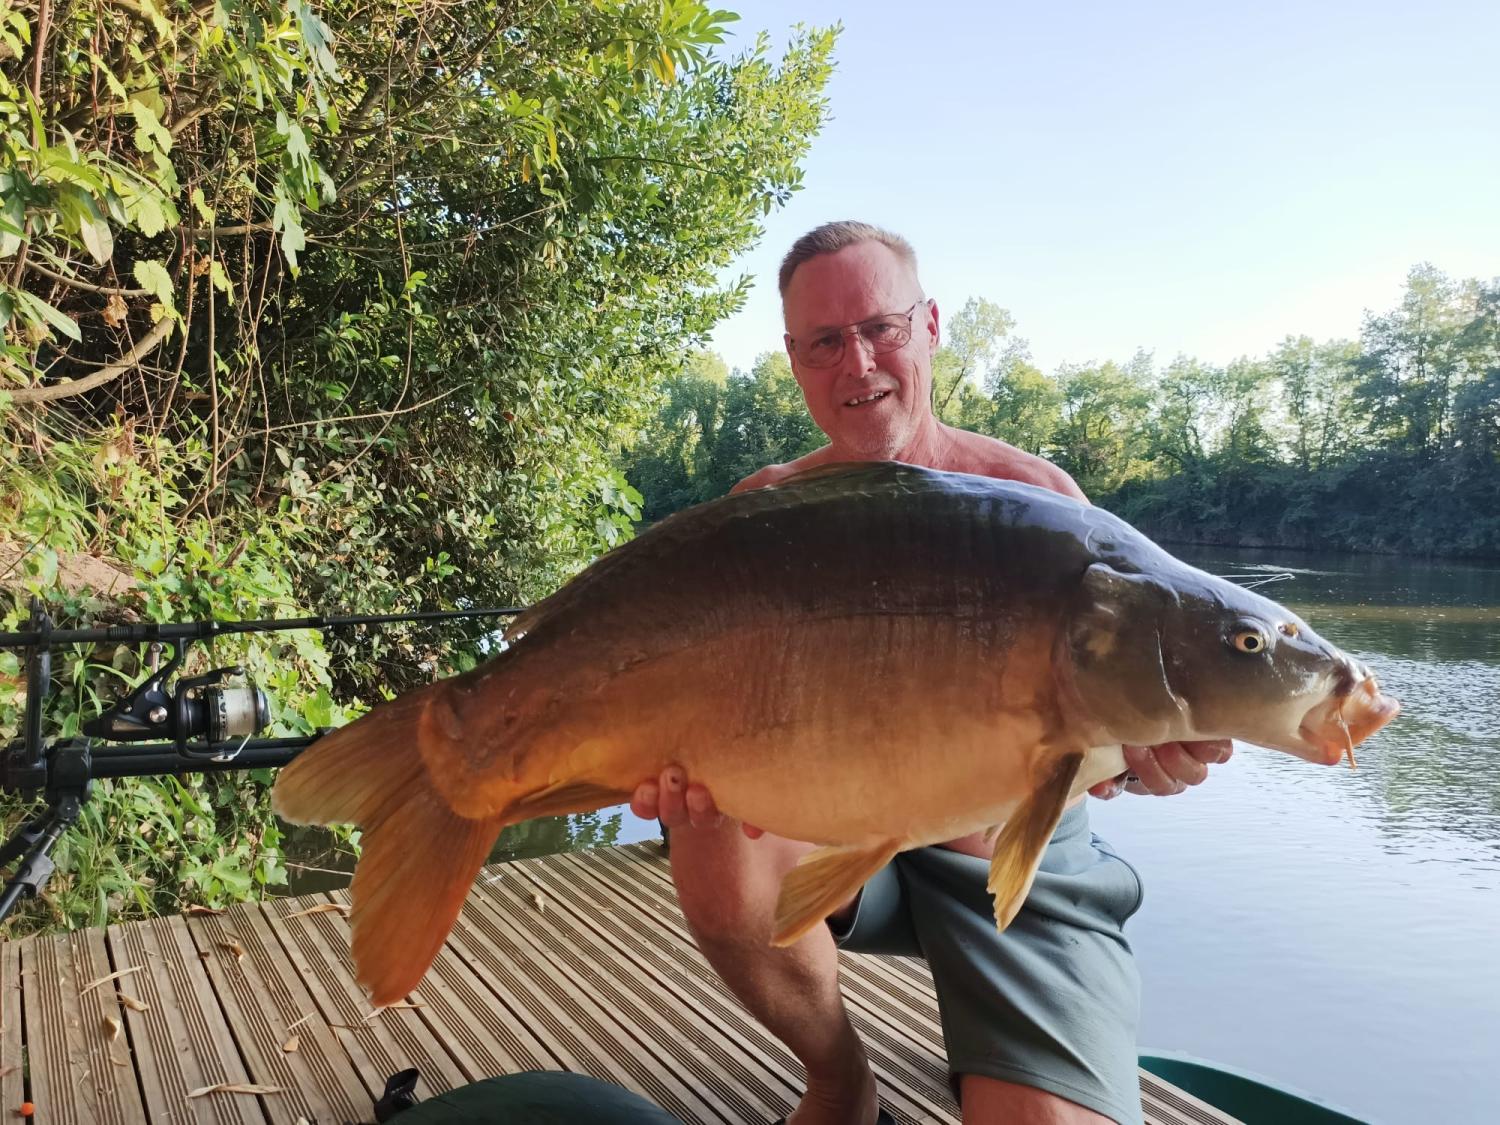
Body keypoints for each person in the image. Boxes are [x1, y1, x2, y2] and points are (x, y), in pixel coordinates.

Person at [629, 221, 1231, 1125]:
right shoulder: (767, 512)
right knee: (711, 830)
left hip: (1010, 849)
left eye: (881, 327)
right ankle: (840, 1078)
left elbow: (1100, 735)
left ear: (933, 326)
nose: (857, 361)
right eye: (825, 341)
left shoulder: (1043, 503)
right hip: (833, 820)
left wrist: (1146, 761)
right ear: (794, 360)